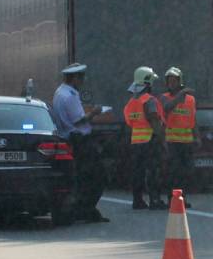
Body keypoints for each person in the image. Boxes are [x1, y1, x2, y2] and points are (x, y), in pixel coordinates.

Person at [52, 63, 109, 223]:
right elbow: (78, 121)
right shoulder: (70, 95)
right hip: (79, 140)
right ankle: (85, 209)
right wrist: (95, 113)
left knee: (84, 177)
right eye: (81, 77)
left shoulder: (60, 92)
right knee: (97, 176)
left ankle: (84, 209)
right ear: (75, 78)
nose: (83, 81)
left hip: (70, 139)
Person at [123, 66, 166, 210]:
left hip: (136, 142)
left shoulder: (131, 102)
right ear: (148, 82)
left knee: (138, 172)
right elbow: (154, 119)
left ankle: (137, 200)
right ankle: (155, 200)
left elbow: (130, 123)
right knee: (154, 171)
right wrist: (162, 139)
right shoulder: (149, 100)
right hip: (150, 140)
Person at [159, 67, 199, 208]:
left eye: (175, 81)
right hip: (172, 141)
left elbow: (193, 119)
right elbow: (166, 108)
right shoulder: (165, 97)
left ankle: (182, 198)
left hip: (187, 141)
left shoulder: (191, 100)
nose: (172, 84)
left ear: (180, 81)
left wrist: (197, 136)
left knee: (186, 172)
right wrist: (180, 95)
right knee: (173, 172)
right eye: (169, 81)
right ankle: (172, 199)